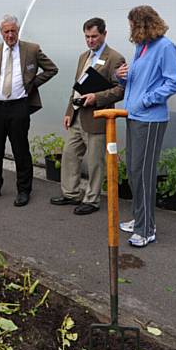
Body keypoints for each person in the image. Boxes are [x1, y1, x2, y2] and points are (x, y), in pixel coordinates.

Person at [116, 5, 176, 247]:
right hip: (134, 116)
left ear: (142, 24)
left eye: (132, 24)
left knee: (143, 173)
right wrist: (120, 76)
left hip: (151, 119)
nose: (130, 29)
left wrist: (146, 100)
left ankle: (147, 229)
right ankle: (139, 218)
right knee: (134, 171)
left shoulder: (165, 47)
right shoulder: (141, 47)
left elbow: (174, 82)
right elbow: (138, 79)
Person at [0, 14, 58, 206]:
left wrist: (32, 84)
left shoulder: (31, 49)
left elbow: (51, 69)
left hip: (19, 107)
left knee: (21, 151)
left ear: (18, 30)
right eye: (6, 31)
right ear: (1, 32)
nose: (9, 35)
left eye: (13, 31)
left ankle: (24, 190)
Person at [50, 18, 126, 215]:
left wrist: (97, 97)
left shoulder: (115, 59)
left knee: (95, 162)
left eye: (94, 36)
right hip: (78, 117)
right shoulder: (84, 56)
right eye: (87, 37)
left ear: (104, 34)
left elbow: (121, 90)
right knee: (69, 154)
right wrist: (69, 112)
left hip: (97, 119)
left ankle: (92, 200)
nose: (90, 40)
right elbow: (77, 86)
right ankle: (71, 193)